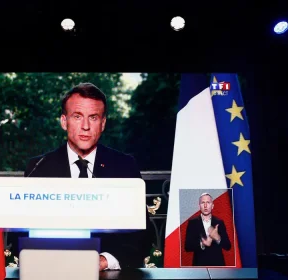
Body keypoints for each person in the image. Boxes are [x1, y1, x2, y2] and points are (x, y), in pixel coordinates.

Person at [23, 82, 153, 270]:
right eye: (77, 116)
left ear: (103, 124)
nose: (85, 126)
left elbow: (142, 234)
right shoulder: (38, 167)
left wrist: (104, 261)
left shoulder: (124, 166)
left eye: (93, 117)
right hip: (53, 271)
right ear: (64, 121)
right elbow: (24, 232)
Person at [184, 193, 231, 266]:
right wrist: (202, 243)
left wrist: (218, 238)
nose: (205, 206)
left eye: (208, 203)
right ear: (199, 206)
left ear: (212, 206)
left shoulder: (219, 222)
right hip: (199, 266)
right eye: (203, 203)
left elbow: (228, 246)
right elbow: (187, 246)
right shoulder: (192, 222)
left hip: (217, 265)